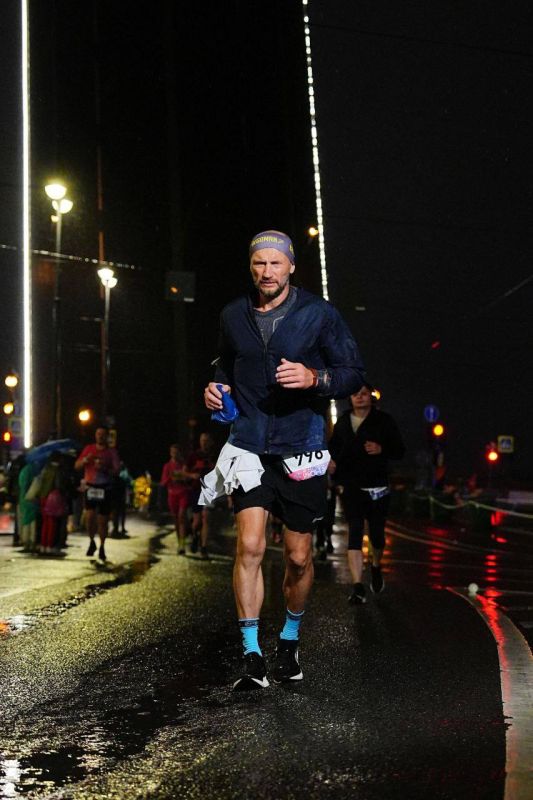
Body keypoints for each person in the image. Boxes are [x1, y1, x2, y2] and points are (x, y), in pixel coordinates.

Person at [204, 229, 365, 690]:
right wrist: (215, 388)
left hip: (301, 447)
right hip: (248, 444)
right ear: (251, 267)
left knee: (297, 557)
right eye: (259, 263)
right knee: (251, 546)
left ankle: (289, 641)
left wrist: (315, 378)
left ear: (291, 266)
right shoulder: (233, 314)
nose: (267, 272)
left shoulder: (320, 314)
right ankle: (251, 656)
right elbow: (224, 362)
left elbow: (353, 373)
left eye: (276, 263)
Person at [329, 383, 405, 604]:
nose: (360, 397)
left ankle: (376, 566)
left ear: (371, 397)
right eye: (355, 394)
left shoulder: (384, 421)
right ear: (350, 398)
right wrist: (331, 463)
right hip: (352, 487)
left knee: (377, 536)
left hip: (378, 488)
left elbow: (400, 450)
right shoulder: (343, 422)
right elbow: (333, 448)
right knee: (354, 533)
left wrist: (382, 449)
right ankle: (358, 586)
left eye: (364, 394)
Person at [74, 426, 120, 561]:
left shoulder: (111, 452)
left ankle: (102, 546)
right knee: (89, 517)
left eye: (102, 434)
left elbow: (117, 471)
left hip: (105, 487)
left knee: (102, 521)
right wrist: (85, 460)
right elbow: (76, 466)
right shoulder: (89, 449)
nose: (100, 436)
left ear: (106, 436)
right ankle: (91, 541)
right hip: (91, 486)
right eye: (98, 433)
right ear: (95, 435)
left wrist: (104, 468)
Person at [186, 432, 216, 558]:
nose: (204, 443)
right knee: (197, 521)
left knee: (206, 517)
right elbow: (184, 471)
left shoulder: (214, 456)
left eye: (206, 440)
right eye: (202, 440)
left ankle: (204, 547)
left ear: (210, 442)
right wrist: (192, 475)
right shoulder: (194, 455)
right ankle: (194, 536)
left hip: (209, 490)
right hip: (196, 489)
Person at [160, 444, 191, 554]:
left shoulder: (184, 465)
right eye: (173, 452)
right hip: (172, 494)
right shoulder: (167, 466)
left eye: (176, 452)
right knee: (176, 520)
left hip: (183, 493)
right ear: (170, 453)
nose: (175, 454)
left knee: (181, 517)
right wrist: (171, 477)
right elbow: (163, 482)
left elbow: (189, 478)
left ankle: (182, 545)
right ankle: (179, 542)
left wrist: (183, 477)